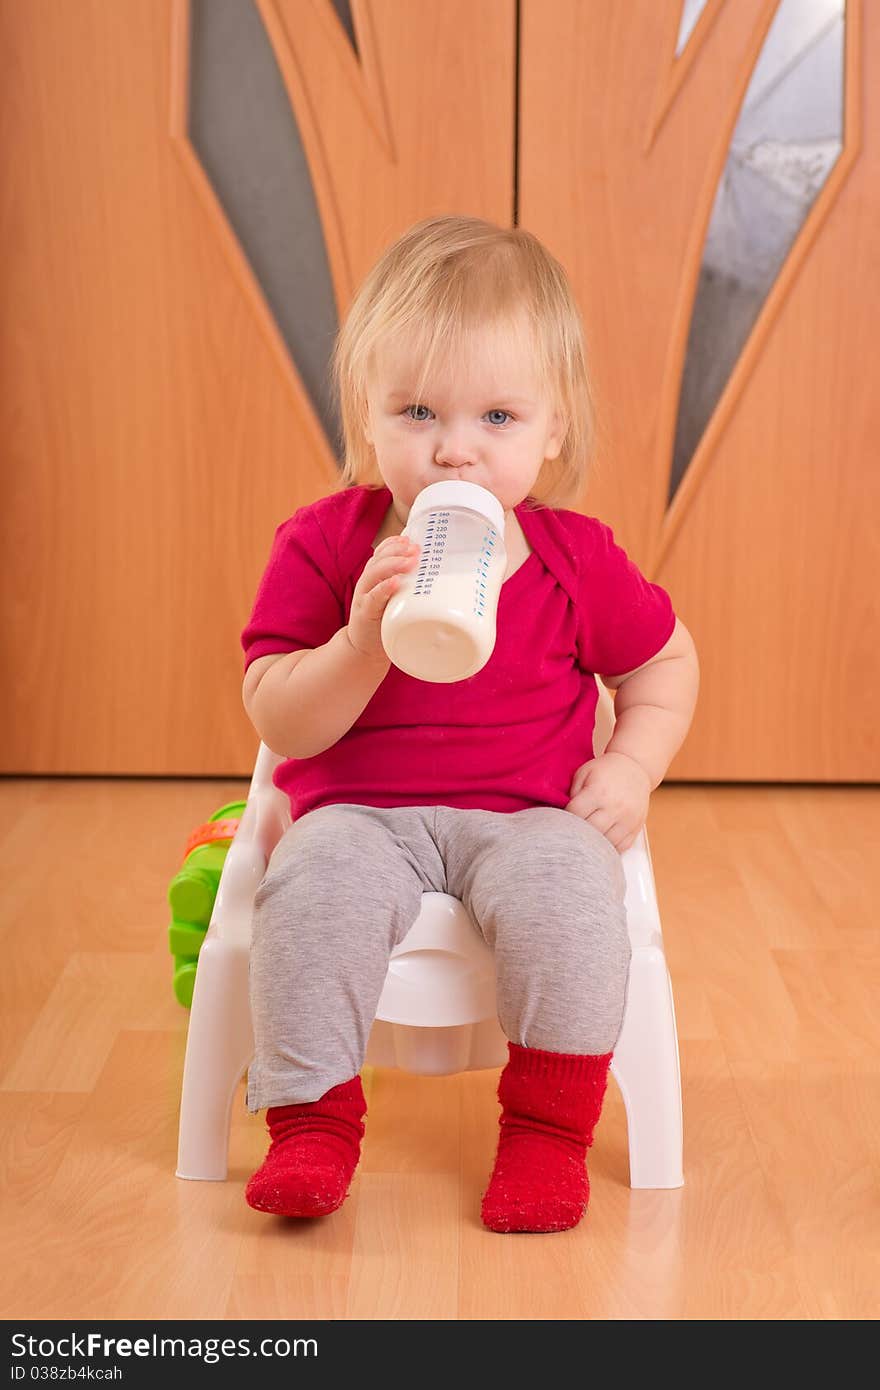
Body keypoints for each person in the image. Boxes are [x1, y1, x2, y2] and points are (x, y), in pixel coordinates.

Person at [239, 215, 699, 1233]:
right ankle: (311, 1121)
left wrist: (632, 763)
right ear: (368, 421)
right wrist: (362, 639)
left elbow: (664, 662)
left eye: (497, 416)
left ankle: (546, 1131)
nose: (454, 449)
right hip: (360, 814)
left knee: (576, 891)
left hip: (526, 814)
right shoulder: (325, 546)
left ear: (552, 431)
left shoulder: (576, 558)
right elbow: (277, 715)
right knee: (308, 882)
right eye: (416, 412)